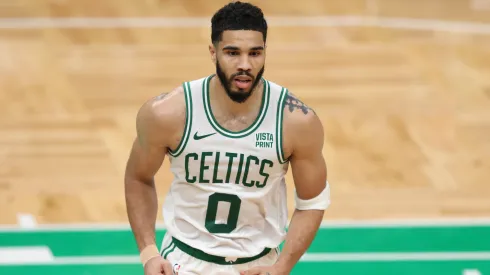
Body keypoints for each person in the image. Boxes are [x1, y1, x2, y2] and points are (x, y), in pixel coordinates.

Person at [124, 1, 331, 274]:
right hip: (183, 263)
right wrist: (149, 253)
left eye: (255, 53)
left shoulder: (296, 120)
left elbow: (312, 201)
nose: (245, 65)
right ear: (213, 52)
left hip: (260, 265)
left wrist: (282, 267)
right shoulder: (168, 114)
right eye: (232, 53)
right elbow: (138, 177)